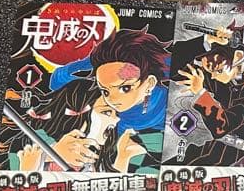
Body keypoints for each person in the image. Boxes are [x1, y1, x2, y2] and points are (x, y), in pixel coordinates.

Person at [49, 27, 170, 169]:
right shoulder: (101, 101)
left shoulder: (166, 102)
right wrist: (89, 62)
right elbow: (58, 79)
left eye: (125, 88)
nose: (112, 100)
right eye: (105, 91)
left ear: (150, 83)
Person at [1, 78, 146, 172]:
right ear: (78, 111)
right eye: (107, 112)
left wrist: (123, 157)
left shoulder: (101, 155)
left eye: (116, 113)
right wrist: (51, 154)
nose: (116, 120)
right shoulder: (35, 138)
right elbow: (16, 163)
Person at [174, 38, 244, 165]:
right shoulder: (220, 73)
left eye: (218, 70)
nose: (213, 76)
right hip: (218, 147)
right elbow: (173, 68)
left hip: (242, 156)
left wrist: (200, 92)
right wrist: (204, 40)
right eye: (209, 70)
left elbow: (221, 126)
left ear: (238, 57)